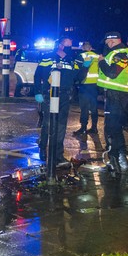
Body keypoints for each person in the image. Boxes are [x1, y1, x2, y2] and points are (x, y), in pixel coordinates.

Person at [34, 36, 86, 167]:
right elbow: (37, 75)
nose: (70, 48)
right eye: (68, 45)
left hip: (65, 96)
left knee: (61, 126)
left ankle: (58, 155)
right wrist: (37, 92)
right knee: (48, 123)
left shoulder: (71, 60)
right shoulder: (47, 58)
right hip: (49, 94)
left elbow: (78, 78)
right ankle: (43, 147)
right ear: (61, 46)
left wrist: (84, 67)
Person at [97, 31, 128, 174]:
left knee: (111, 129)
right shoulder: (117, 53)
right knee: (116, 128)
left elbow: (112, 73)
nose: (106, 45)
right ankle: (120, 157)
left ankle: (114, 161)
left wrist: (101, 62)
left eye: (107, 42)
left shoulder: (121, 54)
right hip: (116, 95)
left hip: (116, 96)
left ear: (113, 41)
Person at [73, 41, 99, 137]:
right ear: (91, 47)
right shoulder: (97, 56)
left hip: (84, 84)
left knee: (84, 108)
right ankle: (94, 128)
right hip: (95, 85)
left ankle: (83, 128)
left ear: (83, 48)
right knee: (94, 107)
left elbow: (77, 70)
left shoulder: (81, 56)